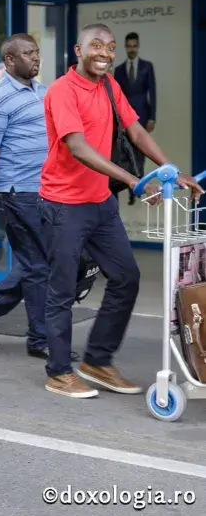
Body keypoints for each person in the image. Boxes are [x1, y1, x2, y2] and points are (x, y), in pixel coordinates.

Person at [38, 23, 202, 399]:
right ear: (78, 51)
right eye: (96, 45)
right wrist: (133, 180)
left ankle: (96, 361)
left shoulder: (110, 86)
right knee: (62, 288)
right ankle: (58, 372)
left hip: (100, 203)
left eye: (110, 47)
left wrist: (171, 169)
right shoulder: (62, 90)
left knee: (126, 277)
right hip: (64, 204)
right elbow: (77, 147)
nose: (105, 53)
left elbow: (137, 131)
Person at [0, 34, 79, 362]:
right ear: (10, 60)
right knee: (39, 266)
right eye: (28, 53)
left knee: (38, 263)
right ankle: (40, 339)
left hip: (48, 190)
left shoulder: (44, 92)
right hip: (17, 194)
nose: (35, 58)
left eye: (36, 52)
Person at [114, 32, 157, 204]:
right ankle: (131, 186)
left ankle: (139, 185)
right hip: (124, 117)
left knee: (140, 153)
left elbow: (152, 93)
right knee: (127, 152)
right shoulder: (119, 70)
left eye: (134, 46)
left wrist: (152, 117)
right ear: (126, 47)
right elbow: (115, 97)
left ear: (137, 46)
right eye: (129, 46)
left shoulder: (147, 67)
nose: (132, 49)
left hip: (143, 115)